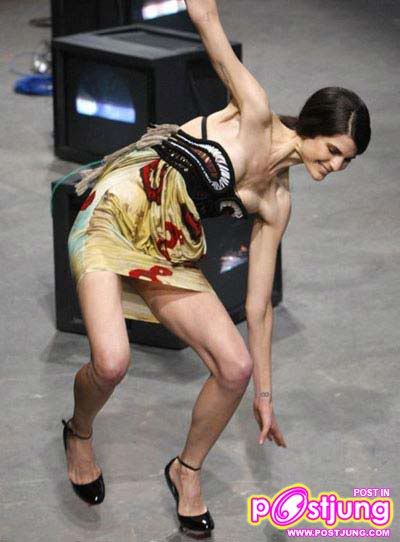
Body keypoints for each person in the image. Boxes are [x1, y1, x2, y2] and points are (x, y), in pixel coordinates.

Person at [62, 0, 371, 535]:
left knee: (234, 367)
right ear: (313, 126)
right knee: (111, 363)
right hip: (118, 209)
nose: (338, 165)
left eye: (348, 160)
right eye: (334, 149)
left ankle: (187, 470)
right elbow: (206, 17)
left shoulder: (277, 202)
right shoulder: (253, 111)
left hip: (168, 246)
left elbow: (258, 306)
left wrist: (264, 397)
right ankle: (79, 432)